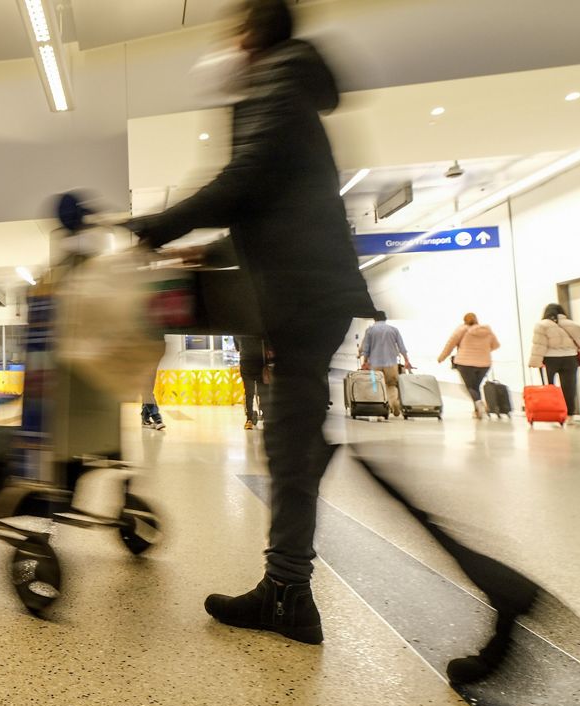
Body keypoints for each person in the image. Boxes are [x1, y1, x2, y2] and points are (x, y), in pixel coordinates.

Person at [125, 0, 374, 644]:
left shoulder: (277, 80)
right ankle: (287, 587)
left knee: (291, 441)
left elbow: (248, 178)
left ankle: (288, 593)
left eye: (235, 34)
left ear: (249, 37)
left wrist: (159, 224)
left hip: (299, 294)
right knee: (293, 437)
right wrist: (208, 251)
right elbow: (278, 204)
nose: (231, 47)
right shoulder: (294, 83)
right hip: (306, 290)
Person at [436, 312, 500, 419]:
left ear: (465, 320)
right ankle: (477, 410)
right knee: (475, 386)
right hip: (484, 364)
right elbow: (495, 345)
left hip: (465, 363)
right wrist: (483, 351)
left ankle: (479, 403)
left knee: (470, 387)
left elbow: (450, 344)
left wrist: (441, 358)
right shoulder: (487, 330)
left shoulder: (462, 330)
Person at [528, 303, 580, 417]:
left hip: (550, 359)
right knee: (569, 387)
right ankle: (569, 414)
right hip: (570, 358)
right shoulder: (574, 325)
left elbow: (539, 346)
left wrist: (534, 362)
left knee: (549, 387)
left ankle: (553, 411)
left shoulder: (542, 325)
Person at [360, 311, 414, 417]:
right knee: (392, 384)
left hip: (374, 365)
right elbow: (402, 347)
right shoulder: (394, 330)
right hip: (391, 363)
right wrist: (407, 360)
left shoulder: (370, 330)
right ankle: (394, 403)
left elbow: (366, 348)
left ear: (374, 319)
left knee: (376, 386)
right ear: (385, 319)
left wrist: (365, 362)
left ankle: (381, 409)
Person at [236, 336, 269, 429]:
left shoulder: (238, 331)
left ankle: (249, 419)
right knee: (262, 392)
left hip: (246, 362)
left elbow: (237, 348)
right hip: (260, 362)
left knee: (249, 393)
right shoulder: (259, 330)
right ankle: (266, 417)